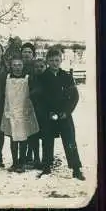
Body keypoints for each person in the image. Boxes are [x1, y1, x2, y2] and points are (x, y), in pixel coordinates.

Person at [37, 48, 85, 180]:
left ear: (61, 60)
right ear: (47, 61)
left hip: (64, 115)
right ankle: (46, 167)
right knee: (47, 142)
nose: (54, 63)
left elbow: (74, 97)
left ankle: (76, 169)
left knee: (70, 141)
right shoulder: (42, 77)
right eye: (51, 60)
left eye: (56, 60)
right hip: (48, 116)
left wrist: (67, 112)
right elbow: (38, 99)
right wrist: (46, 112)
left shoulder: (66, 76)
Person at [0, 55, 40, 173]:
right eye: (15, 65)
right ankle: (15, 162)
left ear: (23, 66)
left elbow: (33, 93)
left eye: (19, 65)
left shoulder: (28, 78)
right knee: (13, 139)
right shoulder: (6, 78)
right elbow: (3, 94)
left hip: (24, 112)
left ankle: (22, 163)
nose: (17, 67)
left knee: (23, 139)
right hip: (11, 111)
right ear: (11, 66)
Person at [27, 58, 48, 169]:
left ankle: (46, 159)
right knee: (34, 136)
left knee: (45, 137)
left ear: (45, 67)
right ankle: (36, 158)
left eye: (41, 67)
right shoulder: (31, 79)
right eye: (37, 67)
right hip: (34, 112)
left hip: (45, 113)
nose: (39, 69)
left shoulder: (48, 79)